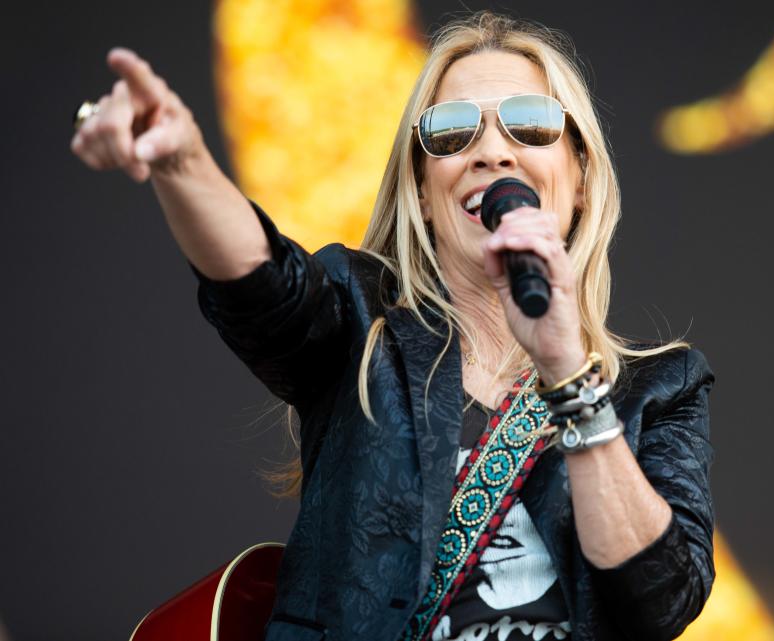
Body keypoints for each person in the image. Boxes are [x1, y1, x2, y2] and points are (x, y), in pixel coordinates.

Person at [71, 11, 715, 641]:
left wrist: (568, 375)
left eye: (530, 125)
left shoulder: (659, 388)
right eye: (452, 132)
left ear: (578, 177)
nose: (492, 150)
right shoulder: (358, 318)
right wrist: (182, 160)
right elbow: (260, 281)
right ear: (424, 190)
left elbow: (660, 604)